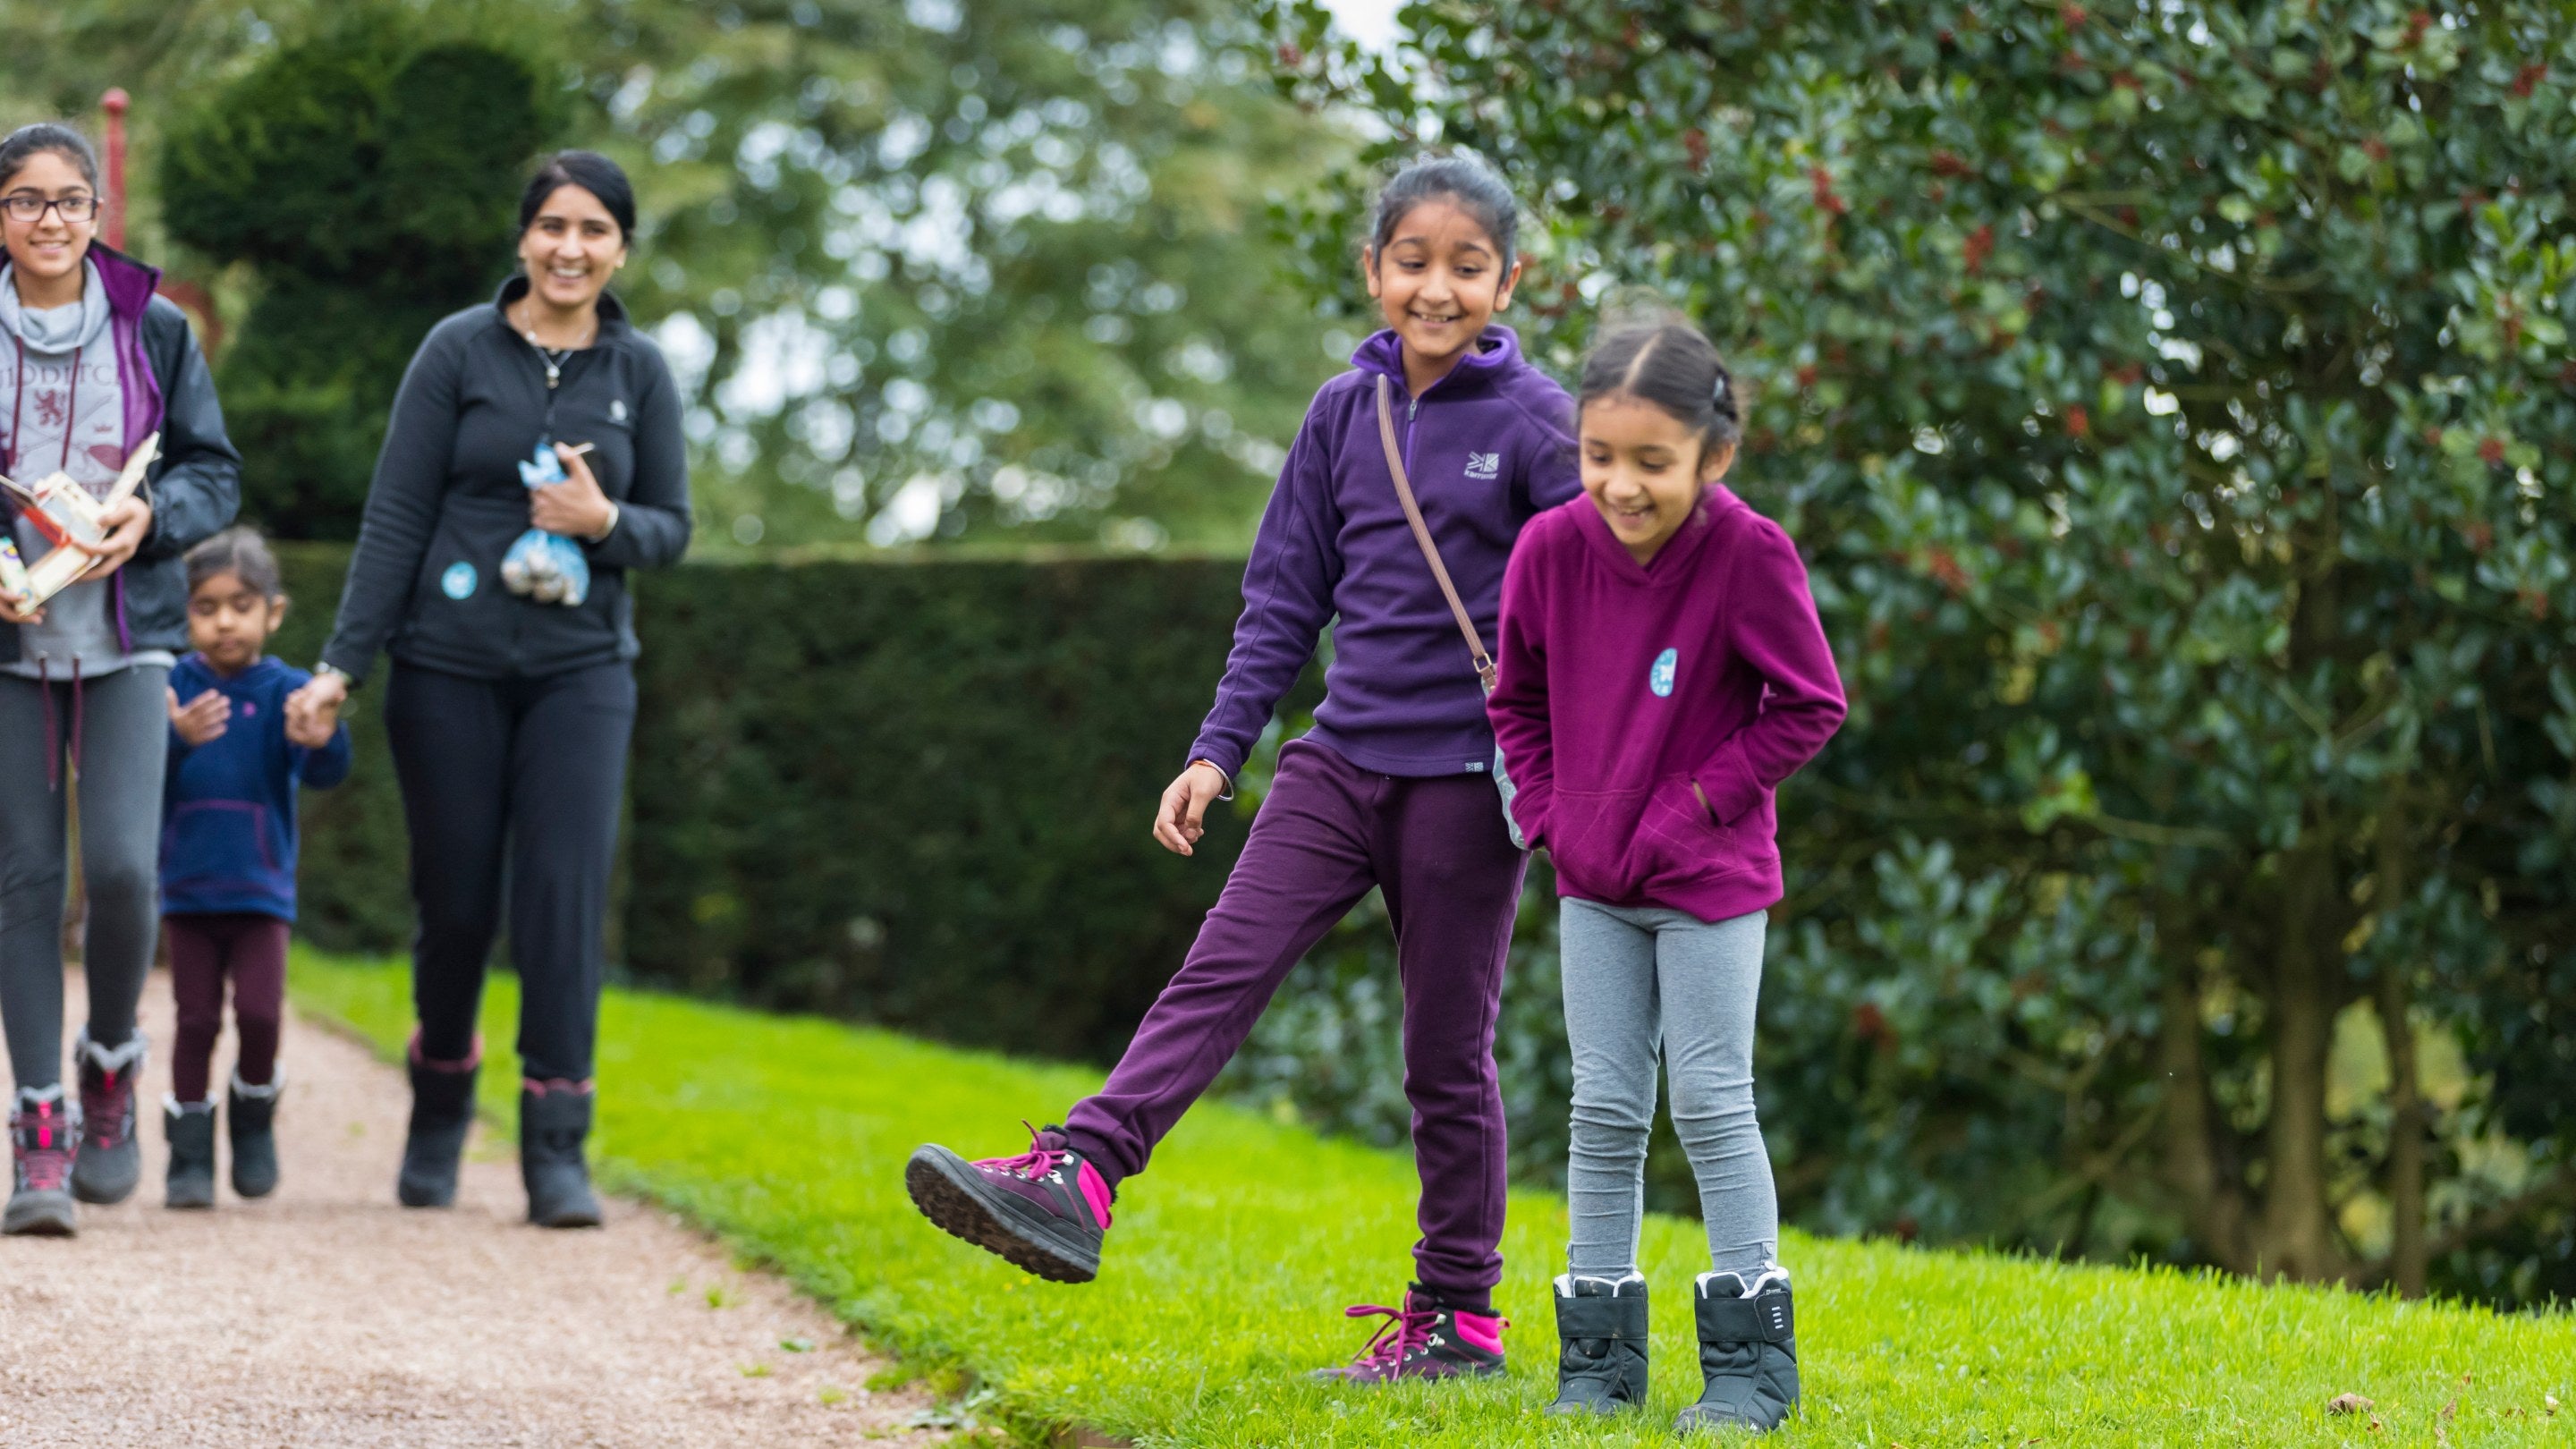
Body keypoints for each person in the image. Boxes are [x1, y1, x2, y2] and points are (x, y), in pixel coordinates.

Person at [906, 155, 1578, 1382]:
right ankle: (1082, 1175)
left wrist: (1563, 765)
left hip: (1463, 788)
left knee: (1446, 1054)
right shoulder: (1340, 414)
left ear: (1509, 279)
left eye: (1466, 266)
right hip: (1337, 763)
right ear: (1374, 269)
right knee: (1220, 968)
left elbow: (1588, 601)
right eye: (1413, 262)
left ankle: (1458, 1322)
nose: (1437, 289)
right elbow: (1283, 601)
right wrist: (1217, 750)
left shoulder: (1539, 426)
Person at [298, 150, 690, 1228]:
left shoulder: (639, 371)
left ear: (620, 249)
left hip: (581, 674)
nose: (572, 249)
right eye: (553, 227)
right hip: (447, 667)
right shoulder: (456, 351)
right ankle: (437, 1112)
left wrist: (602, 523)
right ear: (523, 238)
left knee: (561, 903)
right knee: (457, 903)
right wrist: (342, 663)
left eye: (595, 231)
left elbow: (673, 531)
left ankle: (556, 1147)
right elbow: (394, 518)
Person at [1486, 313, 1845, 1431]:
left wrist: (1695, 806)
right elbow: (1516, 704)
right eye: (1601, 457)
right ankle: (1597, 1366)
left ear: (1713, 456)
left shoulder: (1748, 553)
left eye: (1654, 463)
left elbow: (1810, 705)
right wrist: (1547, 814)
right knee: (1602, 1106)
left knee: (1709, 1097)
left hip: (1710, 884)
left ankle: (1749, 1370)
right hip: (1593, 885)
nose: (1623, 486)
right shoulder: (1548, 551)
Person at [0, 122, 242, 1239]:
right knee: (26, 880)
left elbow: (211, 471)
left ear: (97, 213)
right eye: (25, 199)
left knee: (125, 871)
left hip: (130, 637)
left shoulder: (156, 328)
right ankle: (40, 1129)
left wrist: (154, 520)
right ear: (0, 217)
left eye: (69, 199)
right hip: (12, 650)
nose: (50, 219)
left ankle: (109, 1066)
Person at [158, 528, 350, 1209]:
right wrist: (173, 742)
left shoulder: (287, 691)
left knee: (262, 1016)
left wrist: (323, 735)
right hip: (187, 890)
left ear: (273, 611)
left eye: (241, 605)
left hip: (262, 890)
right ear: (186, 615)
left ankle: (253, 1119)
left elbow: (325, 768)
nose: (224, 621)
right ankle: (187, 1156)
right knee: (195, 1021)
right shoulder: (172, 686)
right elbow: (145, 780)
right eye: (206, 607)